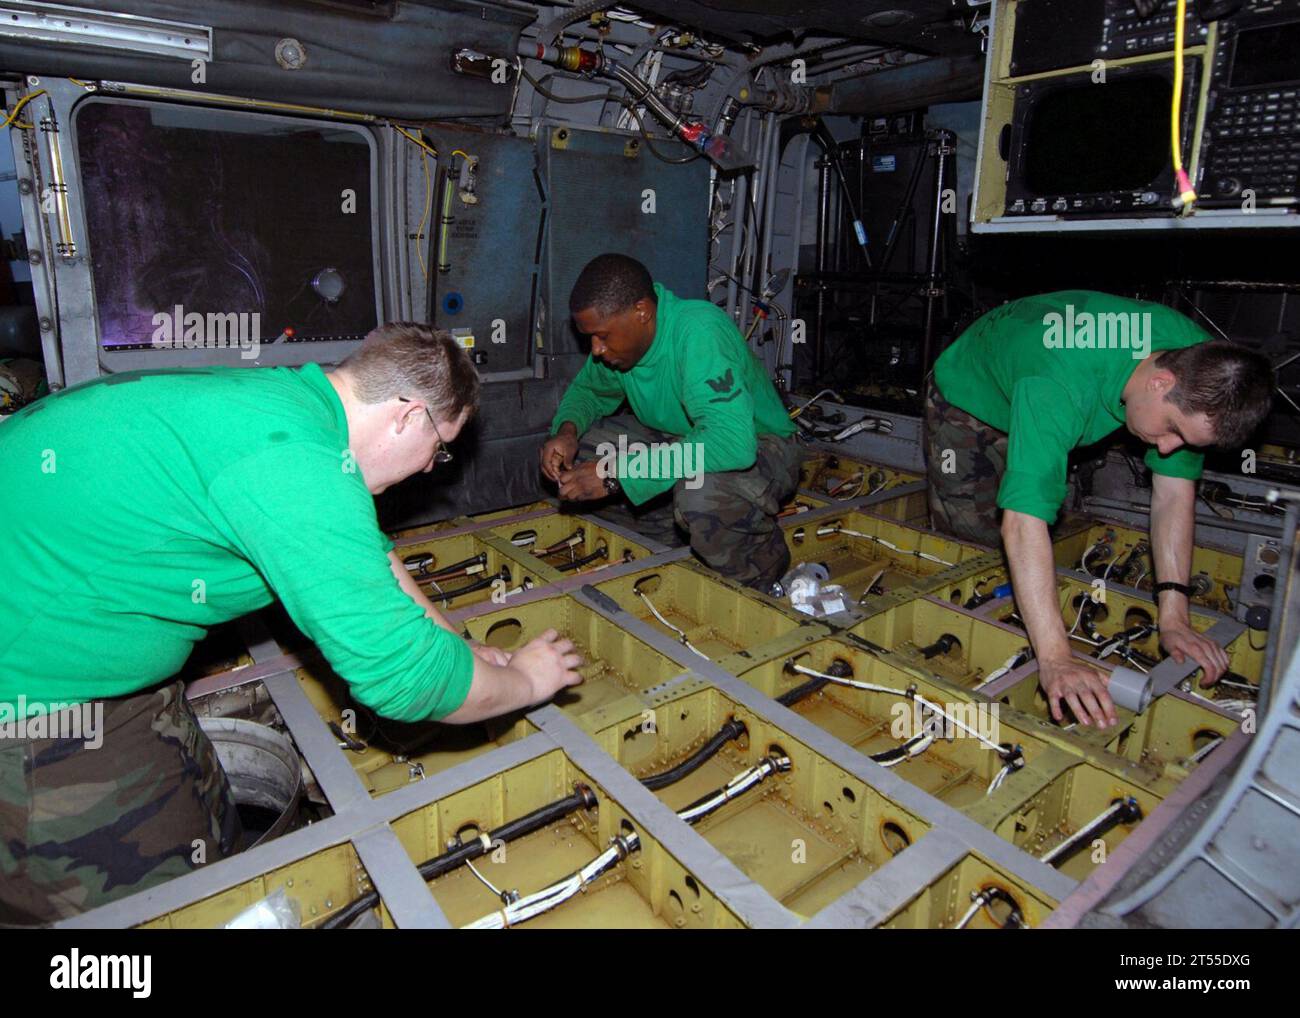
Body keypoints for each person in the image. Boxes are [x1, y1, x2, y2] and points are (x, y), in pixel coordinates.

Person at [0, 322, 582, 924]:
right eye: (440, 449)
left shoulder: (295, 405)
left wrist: (453, 639)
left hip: (75, 653)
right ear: (408, 417)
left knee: (203, 827)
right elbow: (405, 677)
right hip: (33, 705)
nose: (434, 468)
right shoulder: (294, 461)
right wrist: (530, 682)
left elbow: (367, 551)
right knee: (155, 907)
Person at [925, 290, 1275, 729]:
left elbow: (1172, 494)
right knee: (972, 536)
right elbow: (1021, 523)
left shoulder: (1203, 366)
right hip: (972, 393)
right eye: (1171, 431)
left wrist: (1175, 616)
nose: (1169, 449)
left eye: (1186, 442)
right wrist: (1055, 659)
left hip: (1053, 380)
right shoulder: (1057, 382)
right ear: (1160, 381)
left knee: (1045, 494)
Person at [540, 253, 801, 591]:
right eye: (590, 337)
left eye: (602, 336)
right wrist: (567, 432)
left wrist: (617, 474)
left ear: (642, 311)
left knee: (701, 492)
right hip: (683, 438)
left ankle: (762, 568)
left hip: (763, 445)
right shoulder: (623, 349)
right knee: (591, 449)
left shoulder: (698, 332)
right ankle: (674, 537)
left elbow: (731, 444)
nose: (596, 350)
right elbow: (588, 393)